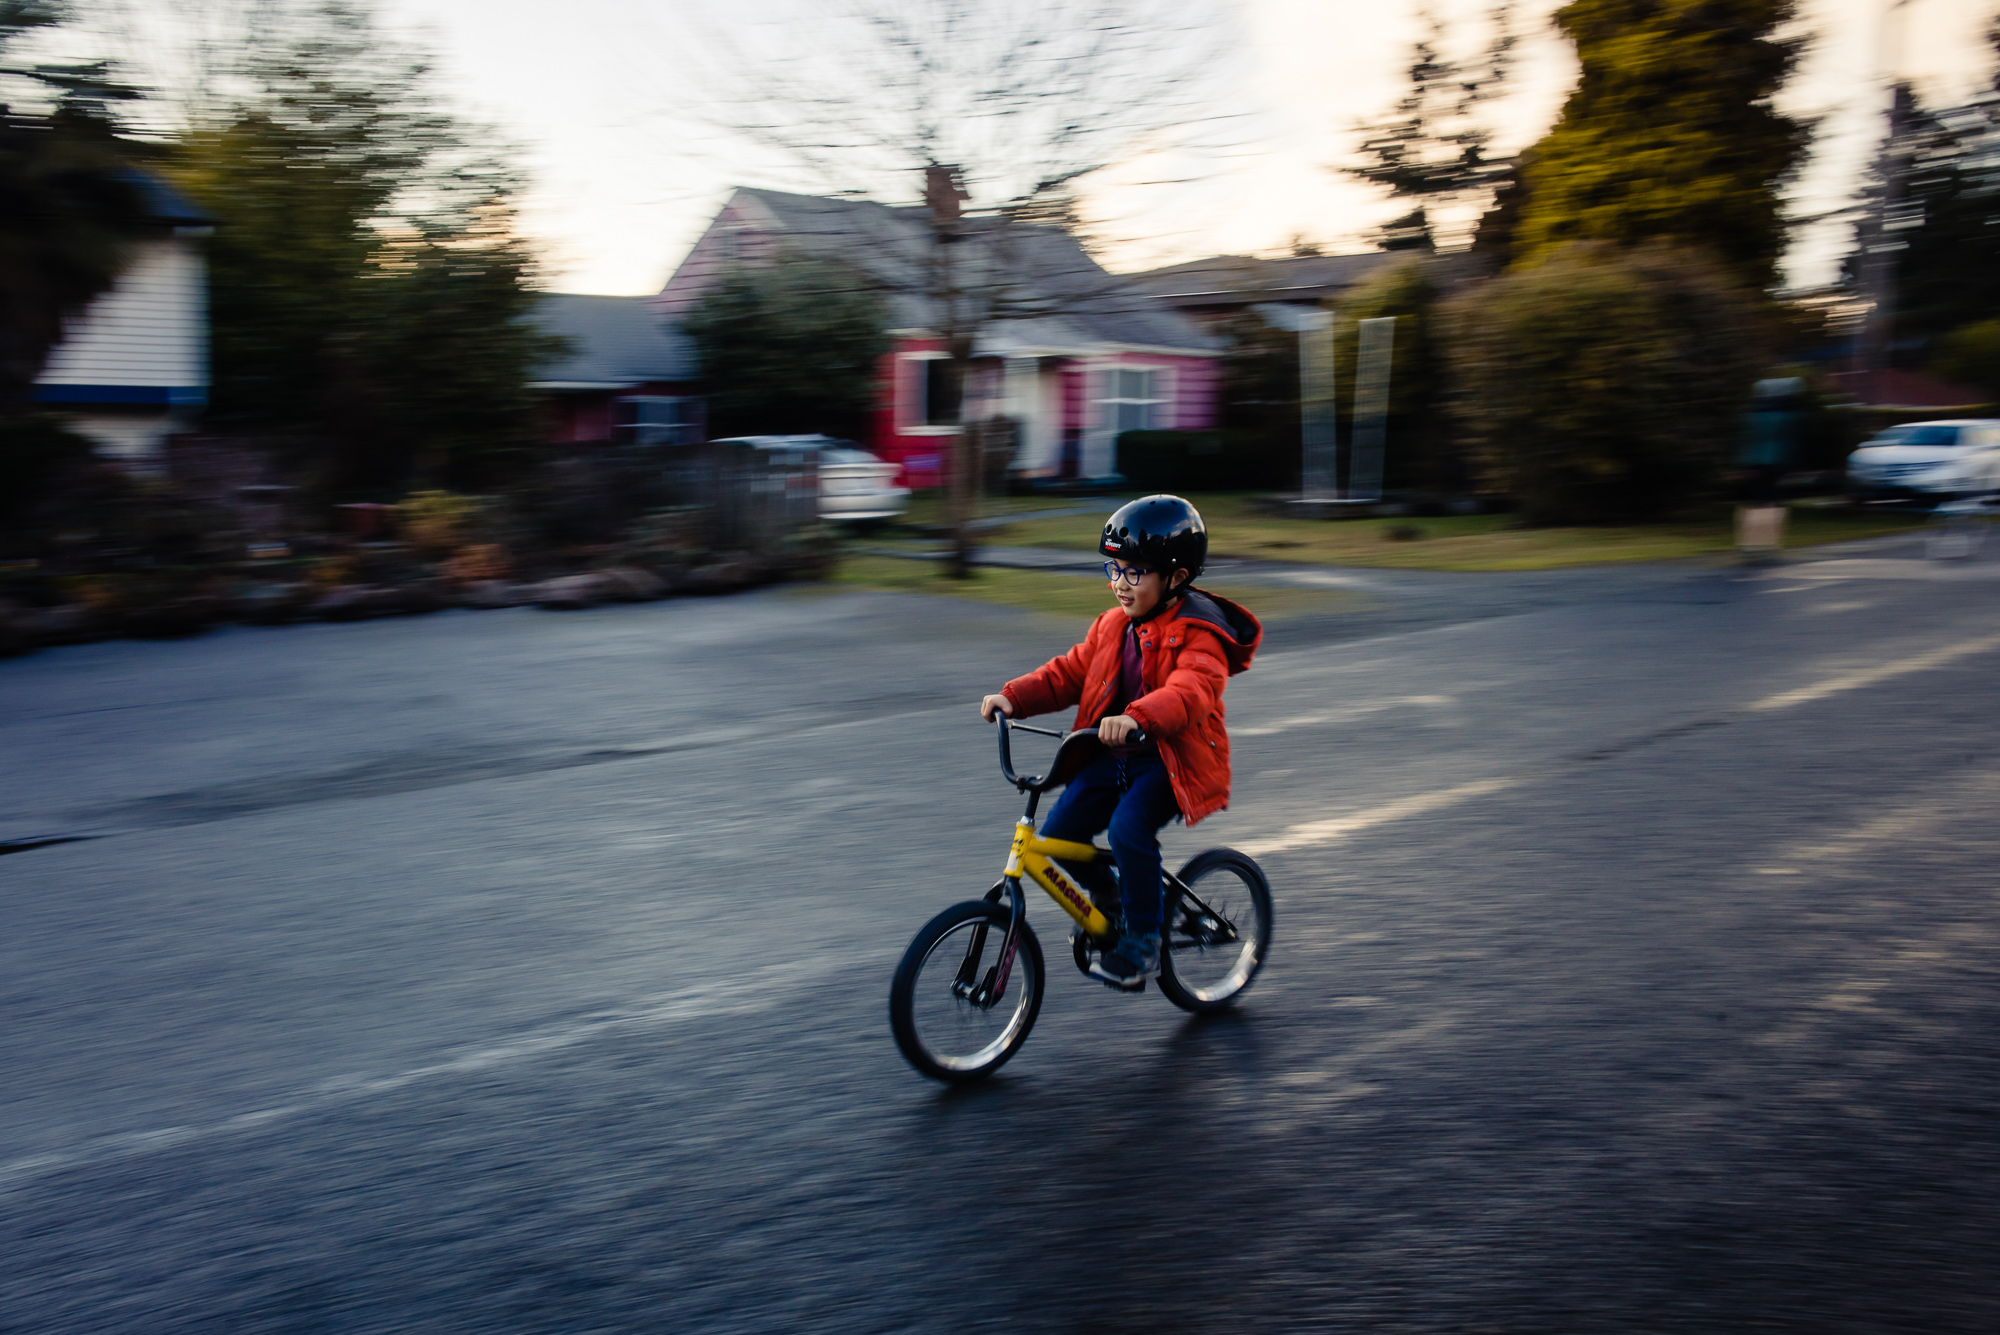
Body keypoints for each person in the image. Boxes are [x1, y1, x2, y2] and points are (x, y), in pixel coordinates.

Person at [979, 495, 1263, 990]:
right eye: (1113, 569)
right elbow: (1066, 674)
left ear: (1176, 578)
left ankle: (1144, 940)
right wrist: (1012, 698)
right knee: (1060, 836)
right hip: (1112, 757)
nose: (1119, 584)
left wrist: (1138, 717)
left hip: (1171, 762)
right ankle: (1111, 906)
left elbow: (1192, 691)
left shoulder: (1201, 634)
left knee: (1128, 832)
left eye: (1134, 573)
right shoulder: (1112, 626)